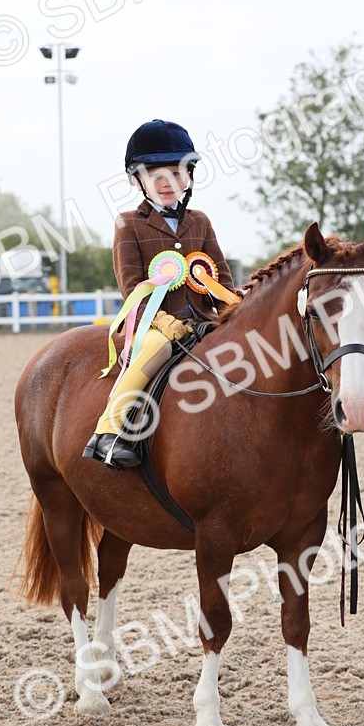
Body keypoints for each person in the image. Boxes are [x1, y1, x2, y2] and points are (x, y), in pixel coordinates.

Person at [83, 119, 238, 471]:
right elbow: (132, 288)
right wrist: (162, 321)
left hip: (202, 321)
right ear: (137, 180)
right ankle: (109, 432)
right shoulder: (128, 224)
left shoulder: (200, 222)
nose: (168, 182)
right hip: (152, 326)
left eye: (177, 173)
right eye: (156, 175)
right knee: (158, 348)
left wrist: (237, 307)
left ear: (188, 178)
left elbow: (222, 282)